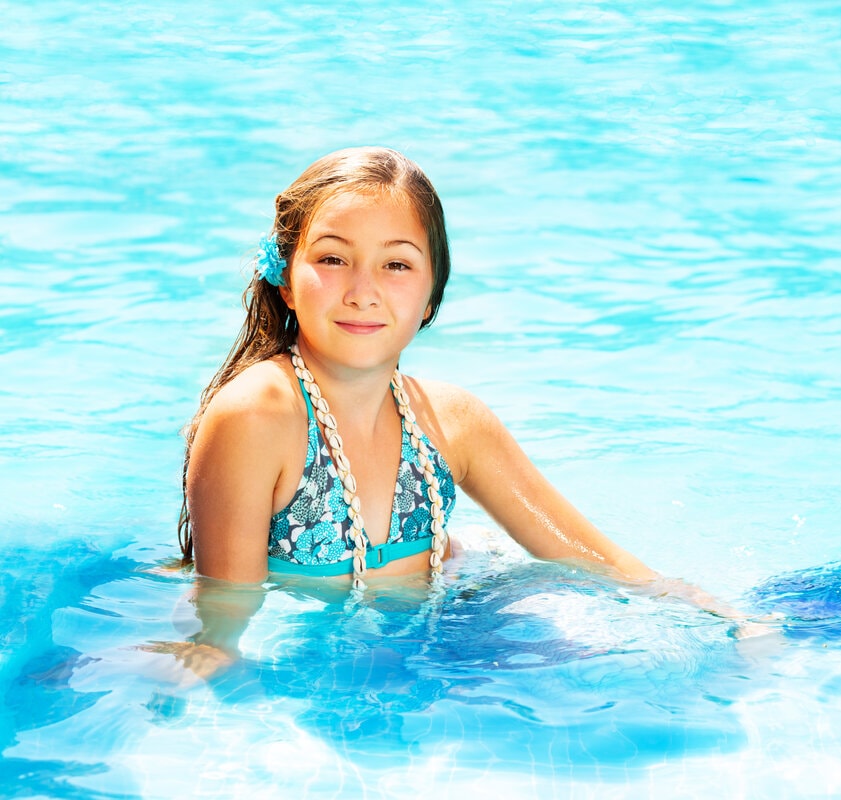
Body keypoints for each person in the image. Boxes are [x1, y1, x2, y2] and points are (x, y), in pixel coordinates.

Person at [176, 147, 743, 655]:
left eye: (396, 264)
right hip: (319, 658)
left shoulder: (449, 421)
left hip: (446, 624)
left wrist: (711, 612)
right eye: (332, 258)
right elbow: (223, 625)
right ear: (285, 280)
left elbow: (583, 553)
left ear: (430, 295)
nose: (362, 290)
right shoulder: (258, 417)